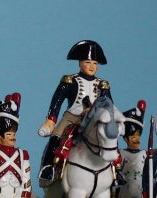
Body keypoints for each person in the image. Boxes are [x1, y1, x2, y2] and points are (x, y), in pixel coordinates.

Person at [38, 40, 112, 187]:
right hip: (72, 117)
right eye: (88, 62)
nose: (92, 67)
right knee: (57, 136)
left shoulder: (103, 85)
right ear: (79, 63)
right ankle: (49, 168)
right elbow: (56, 102)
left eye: (95, 63)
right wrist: (51, 120)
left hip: (94, 120)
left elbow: (109, 105)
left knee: (110, 141)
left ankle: (116, 170)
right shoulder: (70, 81)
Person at [115, 100, 150, 198]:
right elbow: (115, 173)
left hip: (139, 190)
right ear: (126, 138)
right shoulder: (121, 154)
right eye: (133, 136)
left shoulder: (144, 155)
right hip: (124, 189)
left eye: (138, 136)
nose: (136, 139)